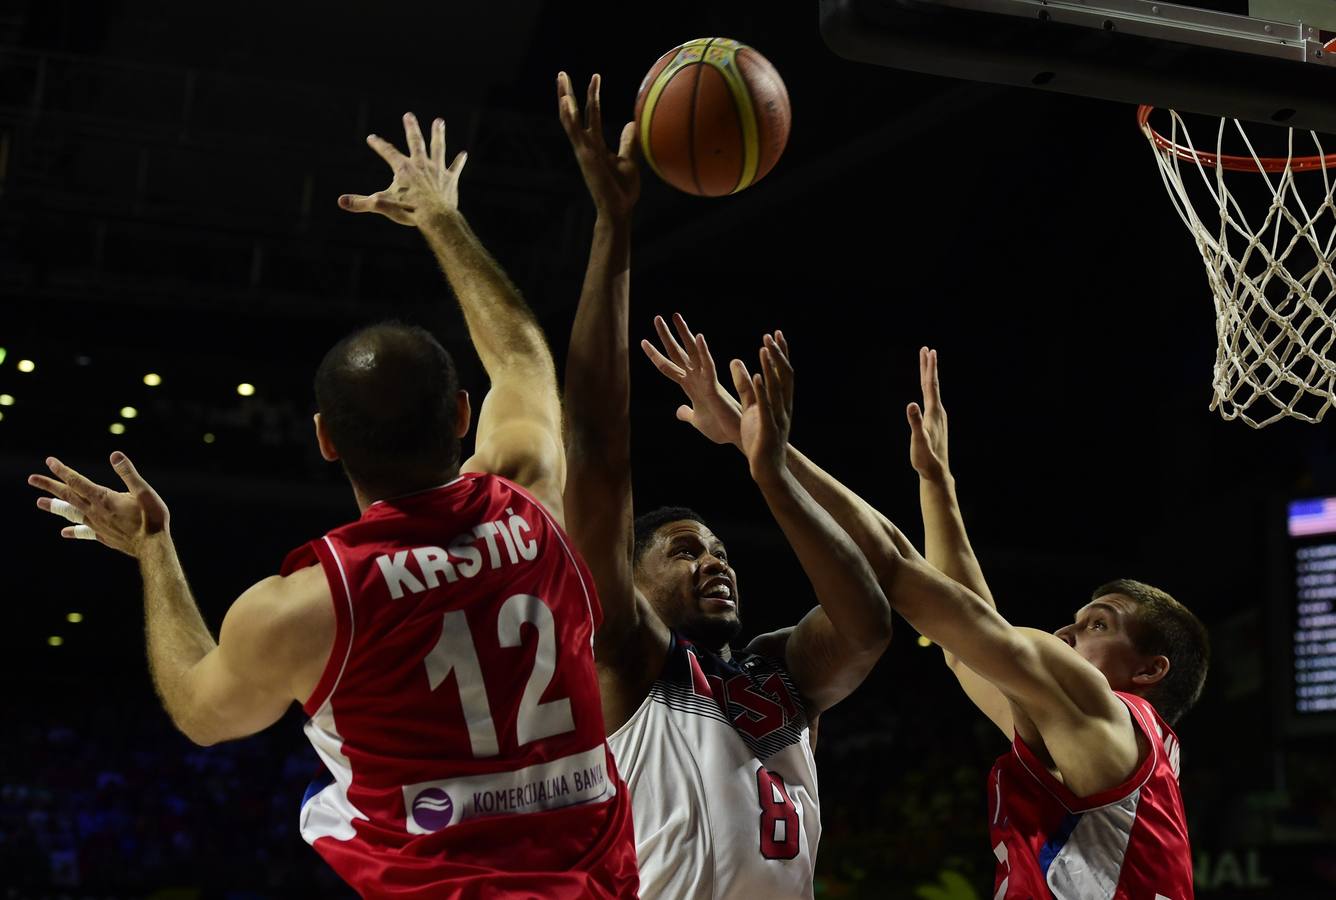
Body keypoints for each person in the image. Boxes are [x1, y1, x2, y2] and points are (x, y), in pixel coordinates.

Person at [29, 112, 638, 900]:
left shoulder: (309, 605)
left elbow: (200, 712)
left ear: (324, 439)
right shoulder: (532, 497)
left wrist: (154, 551)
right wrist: (442, 219)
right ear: (461, 413)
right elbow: (520, 351)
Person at [644, 324, 1209, 900]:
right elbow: (967, 650)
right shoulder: (1118, 752)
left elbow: (894, 567)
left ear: (1149, 671)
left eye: (1097, 624)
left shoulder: (1100, 709)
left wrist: (759, 445)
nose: (1066, 629)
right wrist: (936, 484)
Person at [556, 72, 893, 900]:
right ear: (627, 581)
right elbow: (598, 452)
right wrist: (614, 228)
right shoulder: (626, 658)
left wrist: (768, 468)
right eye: (681, 550)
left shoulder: (780, 673)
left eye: (716, 549)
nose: (715, 562)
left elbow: (867, 625)